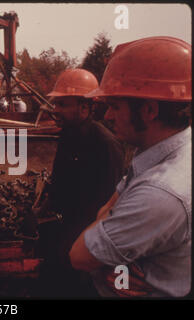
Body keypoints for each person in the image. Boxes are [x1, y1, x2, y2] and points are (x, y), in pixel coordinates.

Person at [70, 36, 191, 298]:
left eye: (114, 106)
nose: (107, 116)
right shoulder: (166, 153)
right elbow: (106, 209)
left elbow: (80, 256)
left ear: (149, 110)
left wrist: (104, 266)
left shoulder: (160, 194)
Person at [34, 68, 125, 297]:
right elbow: (59, 180)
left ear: (85, 107)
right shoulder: (68, 134)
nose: (56, 110)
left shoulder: (105, 144)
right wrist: (40, 210)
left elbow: (110, 206)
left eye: (63, 104)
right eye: (57, 104)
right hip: (65, 228)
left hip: (88, 236)